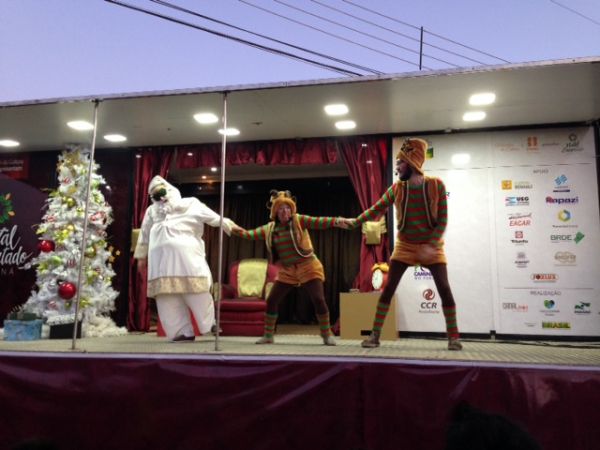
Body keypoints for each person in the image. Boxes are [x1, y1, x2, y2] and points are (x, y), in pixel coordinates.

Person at [351, 138, 463, 350]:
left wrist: (432, 244)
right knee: (388, 288)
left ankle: (454, 337)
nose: (397, 167)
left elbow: (442, 220)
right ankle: (375, 336)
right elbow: (376, 209)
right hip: (405, 245)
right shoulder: (397, 189)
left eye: (400, 163)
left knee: (444, 289)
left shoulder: (436, 185)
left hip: (431, 245)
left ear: (412, 162)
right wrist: (355, 222)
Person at [231, 190, 351, 346]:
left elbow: (319, 221)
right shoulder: (270, 229)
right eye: (281, 209)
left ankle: (326, 335)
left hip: (308, 266)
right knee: (272, 300)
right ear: (275, 212)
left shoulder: (299, 221)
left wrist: (337, 221)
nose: (284, 211)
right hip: (287, 270)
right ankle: (268, 335)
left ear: (291, 209)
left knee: (318, 299)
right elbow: (249, 234)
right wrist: (231, 228)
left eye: (287, 208)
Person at [134, 175, 233, 342]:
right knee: (166, 297)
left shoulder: (190, 204)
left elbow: (214, 218)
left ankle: (209, 324)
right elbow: (144, 233)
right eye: (155, 194)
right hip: (161, 262)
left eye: (161, 192)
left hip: (187, 258)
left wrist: (228, 225)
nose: (160, 197)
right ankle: (181, 332)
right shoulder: (152, 211)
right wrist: (141, 256)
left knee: (196, 290)